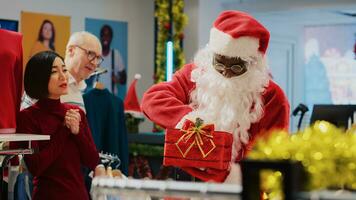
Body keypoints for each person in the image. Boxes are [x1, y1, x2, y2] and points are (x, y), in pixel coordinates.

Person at [141, 10, 290, 183]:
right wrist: (192, 121)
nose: (226, 72)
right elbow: (152, 99)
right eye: (219, 63)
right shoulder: (195, 74)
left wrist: (232, 173)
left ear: (253, 63)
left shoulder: (272, 97)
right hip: (184, 185)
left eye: (236, 67)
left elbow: (273, 155)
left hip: (235, 187)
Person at [12, 51, 99, 199]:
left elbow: (92, 160)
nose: (62, 76)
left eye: (64, 70)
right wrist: (64, 130)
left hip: (79, 195)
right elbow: (36, 167)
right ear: (39, 77)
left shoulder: (76, 113)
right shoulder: (27, 117)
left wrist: (77, 133)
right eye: (54, 71)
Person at [22, 31, 104, 112]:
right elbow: (27, 118)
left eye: (98, 58)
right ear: (71, 50)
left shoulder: (83, 88)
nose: (94, 62)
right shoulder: (45, 79)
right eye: (91, 54)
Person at [98, 24, 126, 97]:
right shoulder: (96, 55)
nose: (105, 38)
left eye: (108, 35)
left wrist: (118, 80)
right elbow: (87, 80)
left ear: (111, 38)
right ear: (100, 37)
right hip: (97, 98)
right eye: (103, 35)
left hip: (111, 98)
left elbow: (124, 80)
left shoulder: (116, 55)